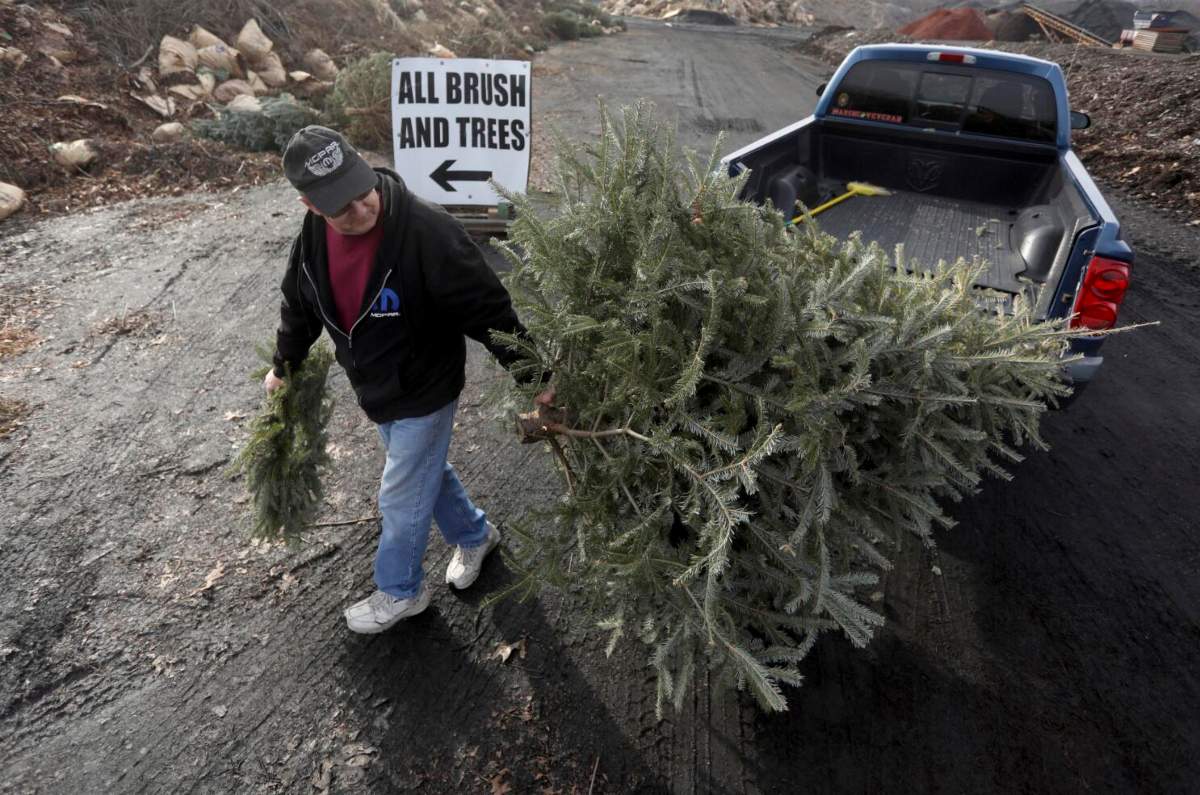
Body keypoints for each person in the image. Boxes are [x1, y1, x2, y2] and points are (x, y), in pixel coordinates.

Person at [265, 125, 552, 634]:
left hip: (426, 385)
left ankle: (401, 591)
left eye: (362, 190)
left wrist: (537, 376)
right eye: (342, 206)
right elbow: (299, 309)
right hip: (376, 389)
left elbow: (488, 310)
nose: (361, 209)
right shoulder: (311, 243)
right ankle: (475, 535)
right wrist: (283, 367)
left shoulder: (426, 230)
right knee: (425, 475)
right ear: (311, 205)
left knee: (399, 493)